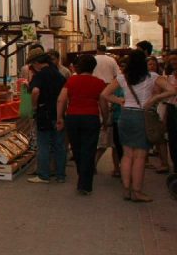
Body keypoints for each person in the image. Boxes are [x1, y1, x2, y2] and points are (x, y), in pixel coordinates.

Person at [100, 50, 176, 202]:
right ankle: (137, 191)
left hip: (125, 115)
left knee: (127, 155)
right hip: (141, 116)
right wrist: (155, 98)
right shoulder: (152, 77)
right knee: (140, 156)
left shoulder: (122, 78)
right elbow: (172, 90)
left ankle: (126, 189)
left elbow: (104, 94)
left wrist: (120, 101)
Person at [56, 55, 106, 195]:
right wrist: (106, 119)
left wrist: (60, 117)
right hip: (91, 118)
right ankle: (85, 183)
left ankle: (81, 175)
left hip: (73, 117)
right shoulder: (99, 83)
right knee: (89, 149)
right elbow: (103, 103)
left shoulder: (71, 81)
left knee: (76, 148)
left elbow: (61, 100)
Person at [27, 47, 67, 184]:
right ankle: (60, 174)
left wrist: (33, 106)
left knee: (43, 145)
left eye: (32, 64)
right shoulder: (58, 74)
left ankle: (44, 175)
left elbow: (35, 91)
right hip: (58, 112)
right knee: (59, 145)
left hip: (44, 113)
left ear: (37, 62)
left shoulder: (40, 75)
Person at [146, 56, 170, 173]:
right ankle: (146, 161)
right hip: (149, 109)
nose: (152, 66)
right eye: (149, 64)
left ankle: (164, 163)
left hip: (158, 109)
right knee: (150, 136)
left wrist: (157, 97)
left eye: (153, 64)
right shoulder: (145, 78)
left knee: (159, 137)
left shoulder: (160, 78)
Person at [165, 50, 177, 173]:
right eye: (171, 60)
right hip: (172, 108)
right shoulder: (169, 76)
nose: (173, 62)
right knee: (172, 139)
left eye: (175, 59)